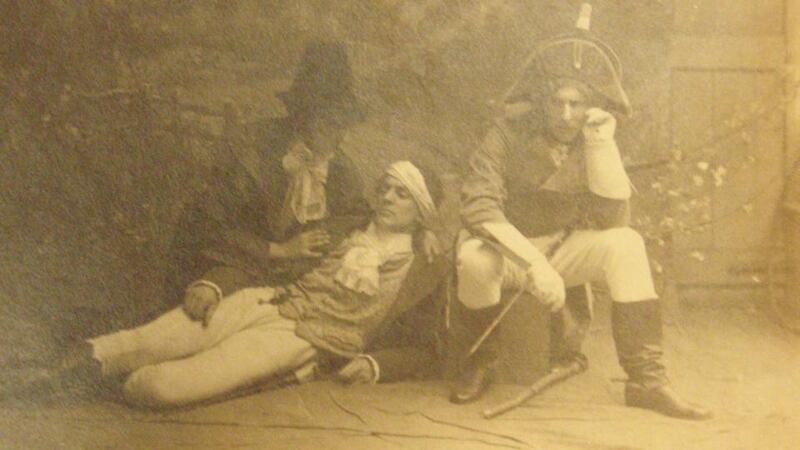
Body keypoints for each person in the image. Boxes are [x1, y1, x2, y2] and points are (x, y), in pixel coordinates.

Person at [10, 161, 448, 408]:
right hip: (266, 300)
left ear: (422, 210)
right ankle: (45, 382)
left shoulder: (420, 266)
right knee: (144, 339)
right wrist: (216, 285)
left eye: (402, 194)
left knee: (165, 387)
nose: (387, 198)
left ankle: (105, 386)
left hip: (299, 341)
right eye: (385, 188)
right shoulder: (340, 229)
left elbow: (423, 346)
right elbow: (264, 259)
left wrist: (376, 366)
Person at [448, 10, 711, 420]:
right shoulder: (505, 133)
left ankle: (646, 379)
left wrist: (602, 147)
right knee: (473, 260)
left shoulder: (595, 137)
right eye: (557, 101)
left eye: (577, 103)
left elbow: (612, 218)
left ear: (591, 105)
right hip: (510, 254)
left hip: (560, 250)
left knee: (627, 245)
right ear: (543, 100)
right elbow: (479, 206)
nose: (566, 114)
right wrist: (533, 264)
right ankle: (480, 364)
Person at [165, 40, 373, 325]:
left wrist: (423, 233)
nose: (340, 137)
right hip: (225, 270)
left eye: (344, 125)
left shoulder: (341, 169)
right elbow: (206, 226)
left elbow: (364, 219)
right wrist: (279, 250)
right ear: (303, 116)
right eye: (329, 124)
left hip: (291, 292)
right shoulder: (249, 148)